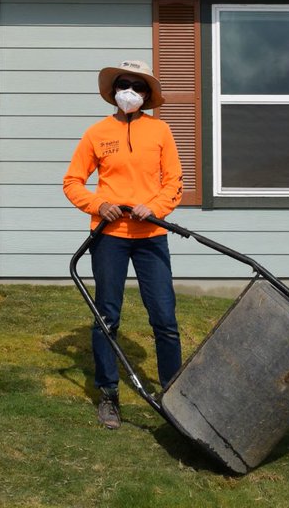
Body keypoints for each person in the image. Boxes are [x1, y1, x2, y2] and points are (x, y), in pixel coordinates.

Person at [63, 60, 184, 430]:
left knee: (164, 319)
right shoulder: (97, 133)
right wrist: (99, 205)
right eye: (123, 84)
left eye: (137, 85)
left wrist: (156, 208)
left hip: (151, 236)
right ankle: (109, 395)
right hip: (110, 238)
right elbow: (72, 182)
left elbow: (174, 182)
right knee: (106, 319)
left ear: (146, 95)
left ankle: (176, 395)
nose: (129, 91)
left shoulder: (160, 131)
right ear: (114, 91)